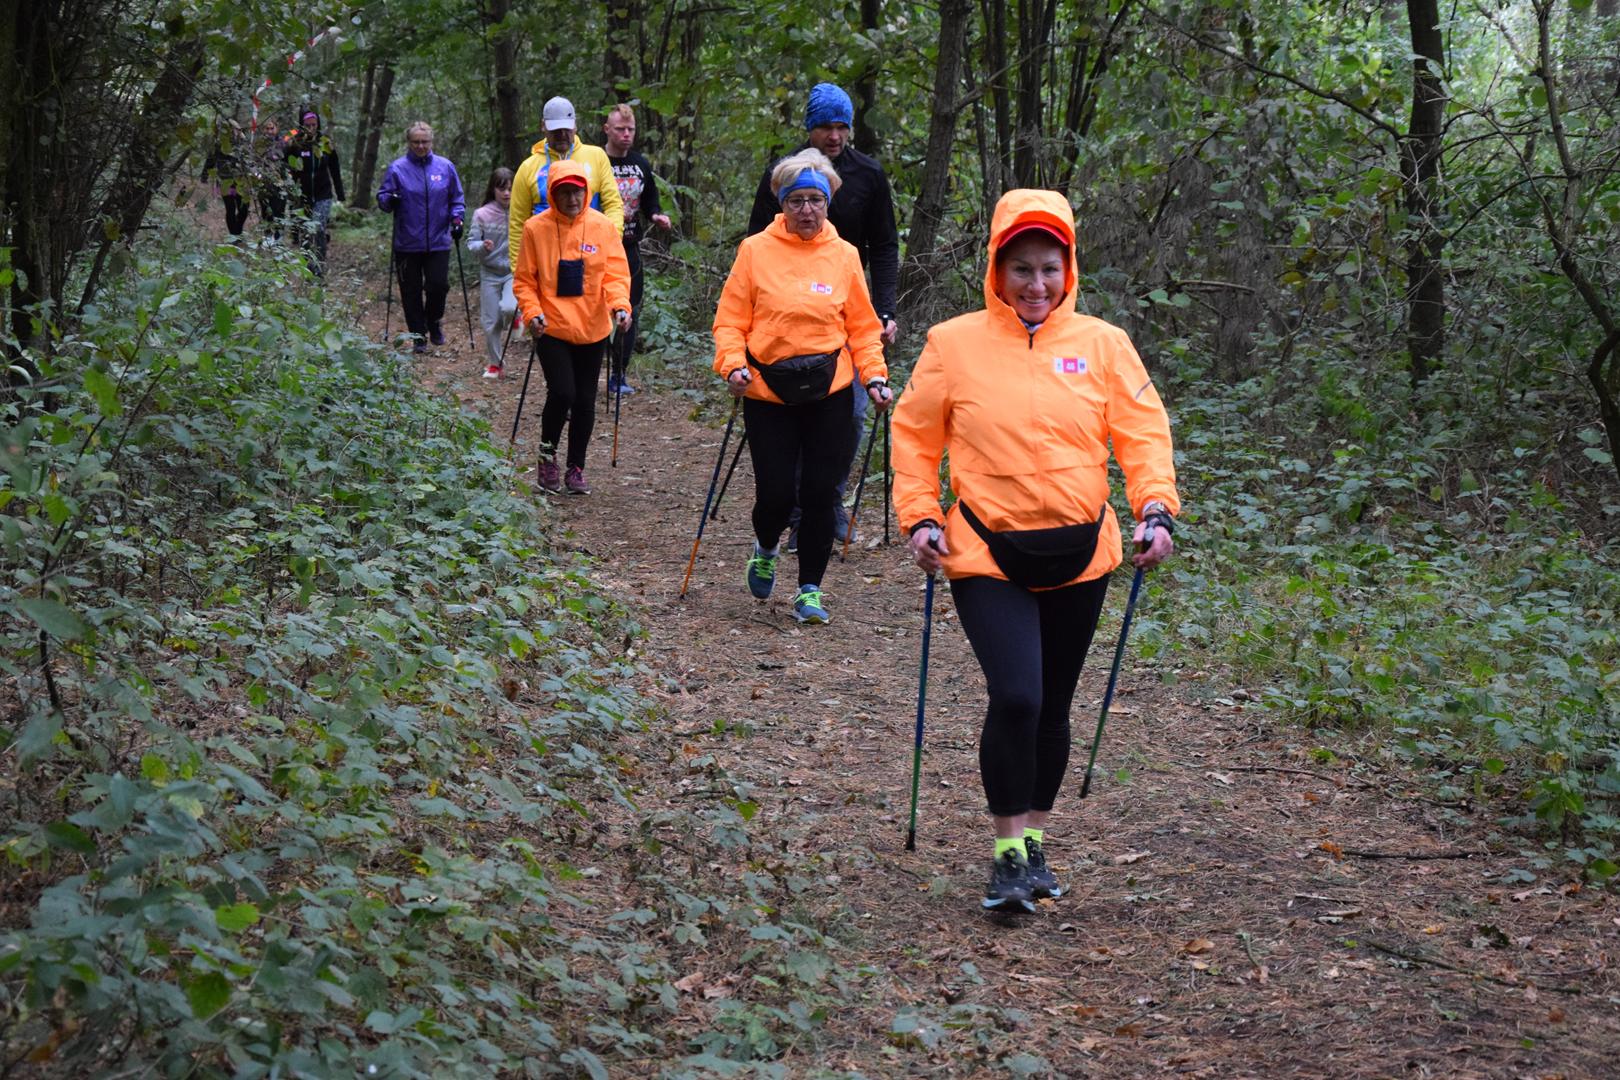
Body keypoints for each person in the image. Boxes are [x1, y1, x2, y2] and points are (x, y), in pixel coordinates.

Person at [890, 189, 1180, 913]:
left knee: (1053, 708)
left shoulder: (1104, 345)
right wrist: (920, 518)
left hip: (1084, 551)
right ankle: (1003, 850)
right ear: (996, 269)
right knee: (1016, 696)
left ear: (1069, 267)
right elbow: (916, 438)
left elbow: (1143, 433)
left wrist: (1155, 507)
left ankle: (1035, 845)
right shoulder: (952, 345)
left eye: (1049, 268)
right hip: (987, 550)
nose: (1036, 284)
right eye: (1021, 268)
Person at [712, 149, 890, 626]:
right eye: (797, 202)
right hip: (768, 391)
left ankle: (810, 589)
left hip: (830, 387)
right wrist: (732, 367)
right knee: (774, 494)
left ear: (828, 203)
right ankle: (765, 547)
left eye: (816, 201)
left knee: (820, 493)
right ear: (782, 205)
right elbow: (729, 322)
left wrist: (874, 376)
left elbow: (863, 329)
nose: (807, 210)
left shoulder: (845, 256)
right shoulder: (754, 251)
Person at [746, 83, 900, 548]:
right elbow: (756, 241)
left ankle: (824, 504)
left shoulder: (868, 175)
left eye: (841, 127)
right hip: (788, 318)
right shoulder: (783, 175)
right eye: (825, 127)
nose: (834, 136)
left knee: (849, 415)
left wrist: (886, 307)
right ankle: (795, 512)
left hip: (848, 315)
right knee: (794, 413)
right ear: (809, 128)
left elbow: (885, 245)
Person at [511, 161, 631, 495]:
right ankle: (546, 458)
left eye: (576, 190)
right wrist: (532, 313)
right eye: (563, 191)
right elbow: (524, 280)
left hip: (592, 328)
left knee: (585, 401)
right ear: (552, 193)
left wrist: (621, 306)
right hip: (551, 326)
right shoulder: (536, 228)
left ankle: (575, 467)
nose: (571, 198)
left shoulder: (603, 227)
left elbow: (616, 276)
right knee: (563, 392)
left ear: (586, 191)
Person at [377, 121, 465, 353]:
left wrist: (457, 220)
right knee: (410, 291)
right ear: (409, 142)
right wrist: (389, 200)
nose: (420, 146)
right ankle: (418, 335)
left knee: (438, 286)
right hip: (407, 242)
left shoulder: (445, 167)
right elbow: (383, 198)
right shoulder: (397, 168)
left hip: (438, 240)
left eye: (424, 142)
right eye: (415, 142)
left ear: (431, 142)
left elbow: (456, 198)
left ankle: (433, 321)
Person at [603, 103, 672, 395]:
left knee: (629, 310)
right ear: (607, 129)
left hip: (630, 247)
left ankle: (619, 374)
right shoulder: (596, 160)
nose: (626, 134)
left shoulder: (640, 163)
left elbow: (650, 199)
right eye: (620, 129)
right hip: (599, 247)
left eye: (631, 129)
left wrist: (656, 214)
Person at [508, 96, 624, 265]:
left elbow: (613, 205)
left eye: (566, 129)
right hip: (544, 257)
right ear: (543, 127)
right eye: (555, 130)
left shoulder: (596, 157)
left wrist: (610, 242)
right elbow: (517, 223)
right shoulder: (528, 168)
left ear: (575, 126)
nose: (562, 135)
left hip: (591, 253)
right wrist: (518, 270)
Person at [467, 167, 518, 378]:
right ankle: (496, 365)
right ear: (493, 189)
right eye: (501, 189)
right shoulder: (482, 214)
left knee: (508, 307)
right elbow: (471, 243)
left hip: (514, 271)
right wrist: (482, 245)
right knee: (490, 323)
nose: (506, 193)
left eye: (510, 188)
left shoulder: (521, 210)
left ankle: (516, 318)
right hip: (489, 272)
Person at [283, 106, 345, 275]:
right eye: (307, 125)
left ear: (318, 123)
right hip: (301, 195)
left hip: (323, 194)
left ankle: (318, 268)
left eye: (314, 124)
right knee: (305, 231)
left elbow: (335, 168)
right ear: (302, 125)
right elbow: (283, 163)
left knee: (318, 228)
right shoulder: (294, 142)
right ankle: (307, 266)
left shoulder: (325, 142)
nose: (311, 128)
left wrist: (340, 194)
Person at [203, 121, 251, 241]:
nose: (232, 132)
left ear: (238, 130)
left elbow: (250, 160)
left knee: (244, 208)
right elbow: (210, 159)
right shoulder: (219, 144)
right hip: (224, 180)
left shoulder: (243, 144)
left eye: (234, 129)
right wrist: (205, 174)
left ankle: (238, 230)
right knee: (230, 208)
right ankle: (234, 236)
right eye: (229, 129)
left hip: (241, 181)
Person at [253, 119, 287, 243]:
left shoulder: (283, 143)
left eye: (272, 128)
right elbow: (253, 162)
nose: (269, 131)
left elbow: (288, 160)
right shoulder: (259, 145)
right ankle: (267, 236)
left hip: (281, 183)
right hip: (264, 183)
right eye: (267, 128)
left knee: (279, 210)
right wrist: (257, 175)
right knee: (266, 209)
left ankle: (279, 237)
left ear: (276, 129)